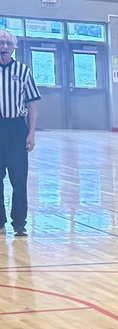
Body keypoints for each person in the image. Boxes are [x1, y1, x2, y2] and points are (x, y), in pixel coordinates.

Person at [0, 29, 40, 238]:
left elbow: (32, 104)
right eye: (0, 43)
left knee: (19, 179)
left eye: (7, 43)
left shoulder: (23, 71)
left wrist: (31, 133)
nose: (4, 47)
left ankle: (19, 224)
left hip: (16, 127)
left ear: (14, 46)